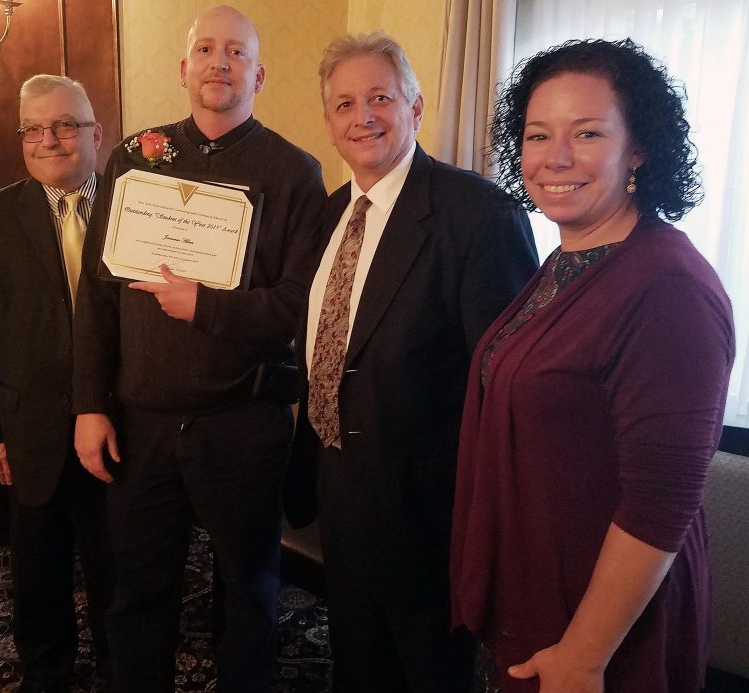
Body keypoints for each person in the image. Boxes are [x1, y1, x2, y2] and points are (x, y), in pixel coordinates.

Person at [450, 38, 735, 693]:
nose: (555, 157)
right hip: (541, 591)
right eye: (538, 134)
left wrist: (582, 654)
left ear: (637, 148)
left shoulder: (669, 286)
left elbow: (660, 503)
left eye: (587, 133)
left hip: (602, 635)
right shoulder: (567, 261)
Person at [72, 5, 327, 691]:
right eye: (207, 50)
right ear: (184, 69)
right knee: (137, 589)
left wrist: (205, 306)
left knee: (249, 586)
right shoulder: (133, 156)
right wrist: (90, 404)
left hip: (242, 424)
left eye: (236, 53)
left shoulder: (295, 172)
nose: (221, 62)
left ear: (259, 73)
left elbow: (298, 306)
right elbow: (97, 297)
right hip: (141, 422)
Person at [284, 32, 538, 692]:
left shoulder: (477, 214)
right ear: (330, 122)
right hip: (342, 490)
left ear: (416, 107)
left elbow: (509, 385)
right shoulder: (331, 213)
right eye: (344, 104)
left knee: (429, 674)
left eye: (379, 98)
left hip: (430, 514)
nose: (361, 116)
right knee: (358, 665)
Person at [0, 74, 114, 693]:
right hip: (27, 431)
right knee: (38, 567)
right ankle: (47, 672)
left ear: (96, 134)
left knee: (115, 563)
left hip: (119, 426)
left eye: (65, 125)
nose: (50, 139)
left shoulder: (134, 209)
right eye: (34, 129)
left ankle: (119, 664)